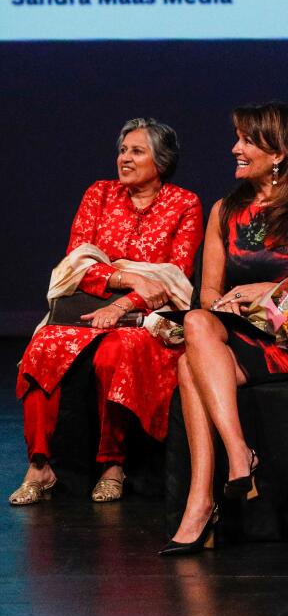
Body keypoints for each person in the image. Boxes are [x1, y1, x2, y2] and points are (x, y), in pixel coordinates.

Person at [162, 102, 288, 555]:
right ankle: (232, 459)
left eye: (246, 140)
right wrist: (232, 304)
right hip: (236, 334)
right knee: (196, 325)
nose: (235, 149)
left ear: (280, 152)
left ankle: (201, 503)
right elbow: (206, 295)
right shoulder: (225, 210)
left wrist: (270, 290)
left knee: (190, 364)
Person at [11, 119, 201, 506]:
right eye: (122, 151)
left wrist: (125, 303)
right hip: (87, 308)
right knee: (43, 346)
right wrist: (127, 276)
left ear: (161, 161)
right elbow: (76, 263)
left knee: (116, 353)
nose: (125, 159)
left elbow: (174, 279)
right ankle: (39, 466)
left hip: (146, 317)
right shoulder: (98, 194)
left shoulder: (185, 203)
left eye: (136, 151)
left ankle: (112, 464)